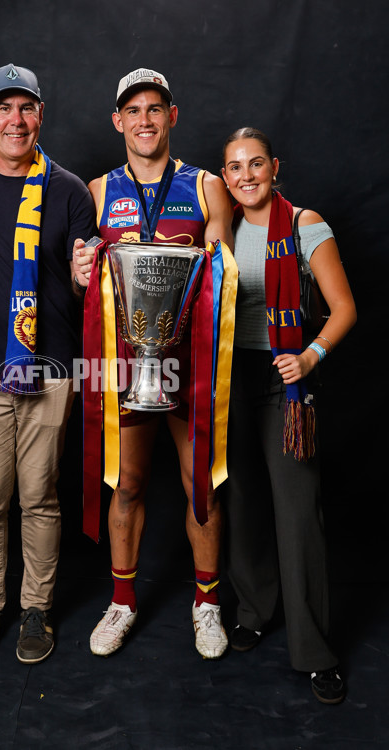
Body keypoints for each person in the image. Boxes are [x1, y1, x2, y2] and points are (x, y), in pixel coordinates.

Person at [73, 68, 234, 659]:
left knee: (203, 486)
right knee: (128, 483)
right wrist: (79, 271)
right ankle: (122, 602)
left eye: (155, 109)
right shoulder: (96, 189)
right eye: (133, 111)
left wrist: (199, 259)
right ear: (119, 121)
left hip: (191, 359)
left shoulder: (206, 186)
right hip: (123, 361)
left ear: (173, 115)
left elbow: (223, 268)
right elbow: (80, 272)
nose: (145, 120)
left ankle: (208, 605)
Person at [0, 63, 96, 665]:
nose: (16, 120)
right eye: (4, 108)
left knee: (39, 497)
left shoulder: (69, 191)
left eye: (27, 108)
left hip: (51, 367)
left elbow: (83, 286)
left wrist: (85, 276)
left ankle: (35, 608)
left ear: (41, 115)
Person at [220, 127, 356, 704]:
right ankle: (254, 610)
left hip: (286, 385)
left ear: (274, 166)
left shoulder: (304, 224)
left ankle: (315, 649)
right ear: (225, 176)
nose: (245, 176)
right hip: (232, 378)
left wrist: (309, 355)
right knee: (244, 502)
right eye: (234, 168)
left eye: (255, 164)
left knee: (297, 515)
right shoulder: (221, 226)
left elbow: (345, 307)